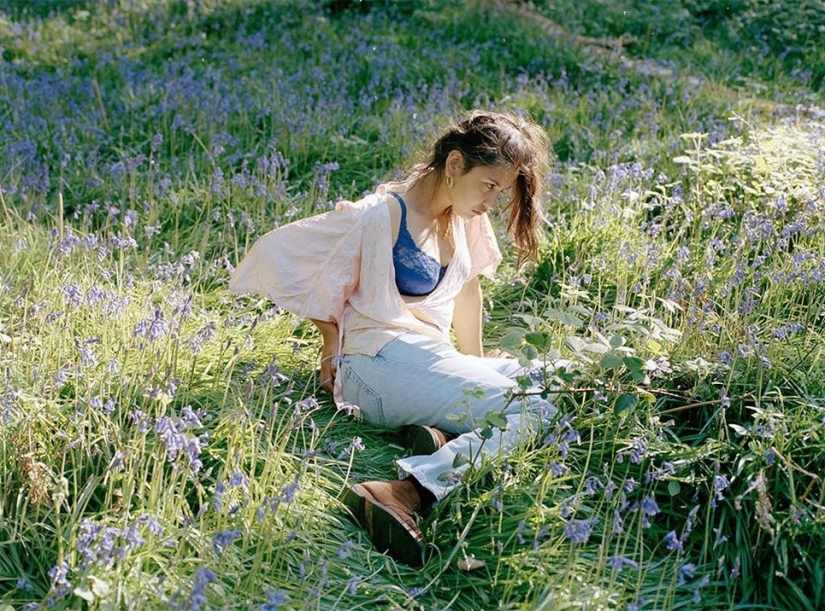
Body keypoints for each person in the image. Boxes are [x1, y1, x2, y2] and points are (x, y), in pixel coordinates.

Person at [229, 110, 557, 566]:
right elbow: (278, 251)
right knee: (538, 407)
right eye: (489, 185)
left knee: (560, 382)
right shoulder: (379, 215)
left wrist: (476, 363)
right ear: (456, 164)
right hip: (374, 364)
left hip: (422, 357)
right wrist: (330, 339)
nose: (492, 202)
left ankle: (440, 435)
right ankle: (406, 491)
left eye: (500, 192)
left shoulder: (465, 216)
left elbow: (467, 292)